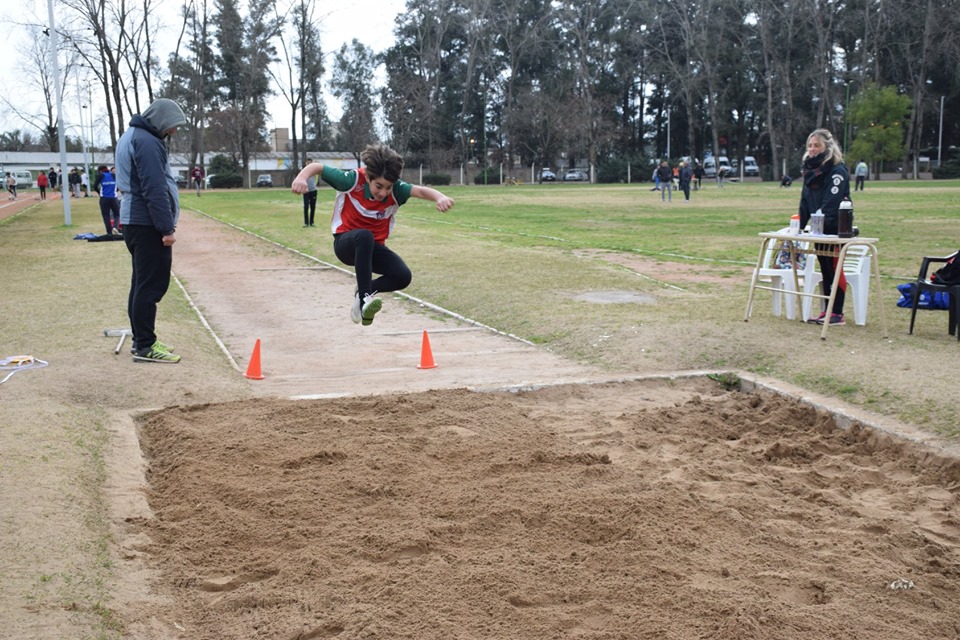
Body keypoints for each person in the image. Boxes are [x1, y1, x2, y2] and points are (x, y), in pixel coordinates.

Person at [291, 144, 455, 326]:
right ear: (368, 177)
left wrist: (440, 197)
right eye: (379, 186)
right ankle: (364, 298)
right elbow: (318, 167)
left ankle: (364, 291)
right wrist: (302, 177)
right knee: (364, 236)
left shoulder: (397, 190)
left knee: (402, 276)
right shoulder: (351, 180)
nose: (383, 192)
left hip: (372, 248)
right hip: (346, 244)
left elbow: (421, 191)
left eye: (388, 187)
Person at [116, 98, 187, 363]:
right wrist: (166, 228)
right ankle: (145, 346)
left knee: (141, 284)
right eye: (172, 126)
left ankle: (142, 340)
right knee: (150, 286)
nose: (173, 132)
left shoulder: (133, 136)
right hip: (145, 223)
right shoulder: (146, 141)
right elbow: (154, 188)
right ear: (160, 120)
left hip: (136, 221)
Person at [798, 128, 852, 326]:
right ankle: (827, 310)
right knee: (825, 268)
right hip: (817, 229)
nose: (812, 149)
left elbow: (831, 203)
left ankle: (837, 312)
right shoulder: (810, 172)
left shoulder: (837, 171)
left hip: (835, 228)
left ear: (827, 147)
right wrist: (799, 227)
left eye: (816, 145)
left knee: (834, 268)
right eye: (810, 145)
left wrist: (819, 224)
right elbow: (805, 201)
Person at [93, 164, 121, 234]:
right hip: (113, 198)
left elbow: (95, 186)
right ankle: (115, 227)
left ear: (100, 170)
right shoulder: (114, 175)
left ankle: (109, 232)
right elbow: (120, 185)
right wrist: (115, 191)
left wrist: (99, 193)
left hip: (104, 198)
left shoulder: (100, 175)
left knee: (106, 215)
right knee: (117, 214)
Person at [301, 158, 317, 227]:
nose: (309, 164)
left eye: (310, 162)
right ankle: (306, 223)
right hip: (306, 191)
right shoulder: (303, 171)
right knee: (306, 206)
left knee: (313, 207)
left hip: (313, 191)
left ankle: (312, 222)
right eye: (308, 162)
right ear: (305, 163)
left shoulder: (314, 171)